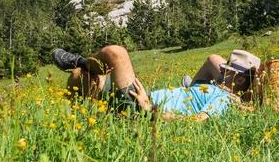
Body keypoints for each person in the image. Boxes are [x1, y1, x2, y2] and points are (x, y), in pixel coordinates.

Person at [51, 46, 260, 121]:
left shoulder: (224, 100)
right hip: (141, 99)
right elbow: (212, 59)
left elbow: (197, 120)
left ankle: (78, 60)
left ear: (240, 79)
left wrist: (150, 109)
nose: (221, 70)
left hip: (142, 106)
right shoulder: (214, 86)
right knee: (82, 76)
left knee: (116, 54)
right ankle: (78, 117)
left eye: (227, 70)